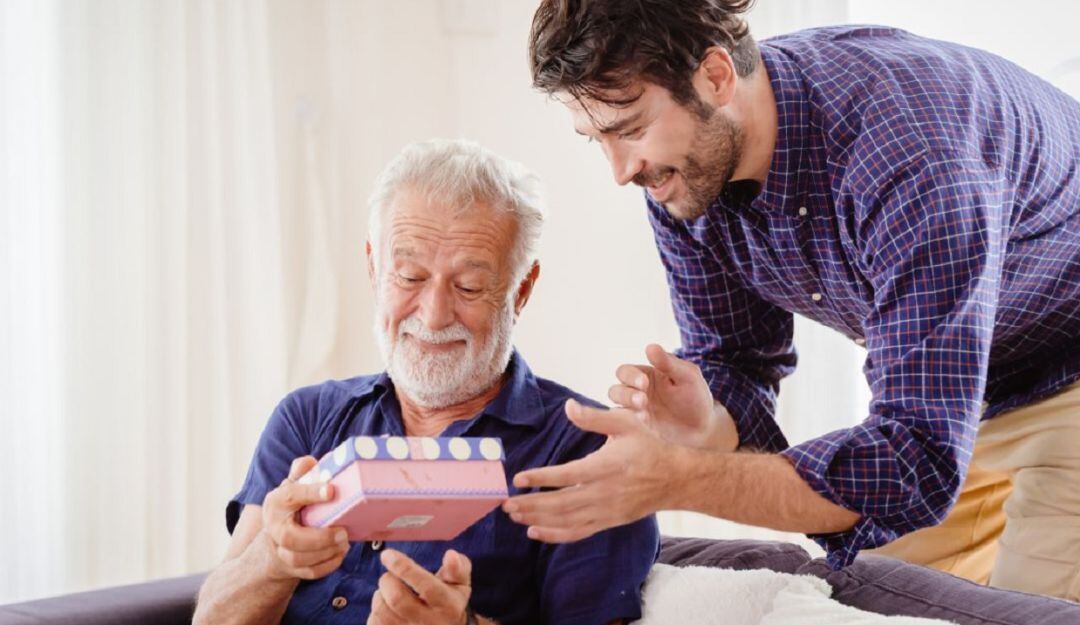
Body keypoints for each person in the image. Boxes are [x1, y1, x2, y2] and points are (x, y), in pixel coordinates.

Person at [504, 0, 1080, 601]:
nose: (621, 170)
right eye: (597, 138)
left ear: (716, 77)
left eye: (630, 129)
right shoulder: (683, 177)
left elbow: (916, 458)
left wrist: (678, 480)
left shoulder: (906, 154)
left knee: (1030, 611)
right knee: (879, 596)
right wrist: (711, 425)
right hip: (968, 392)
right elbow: (735, 360)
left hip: (1068, 366)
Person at [193, 139, 659, 625]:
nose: (434, 316)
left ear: (520, 291)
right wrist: (274, 556)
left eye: (469, 287)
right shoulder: (307, 418)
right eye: (411, 276)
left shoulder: (592, 453)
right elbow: (212, 619)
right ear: (375, 269)